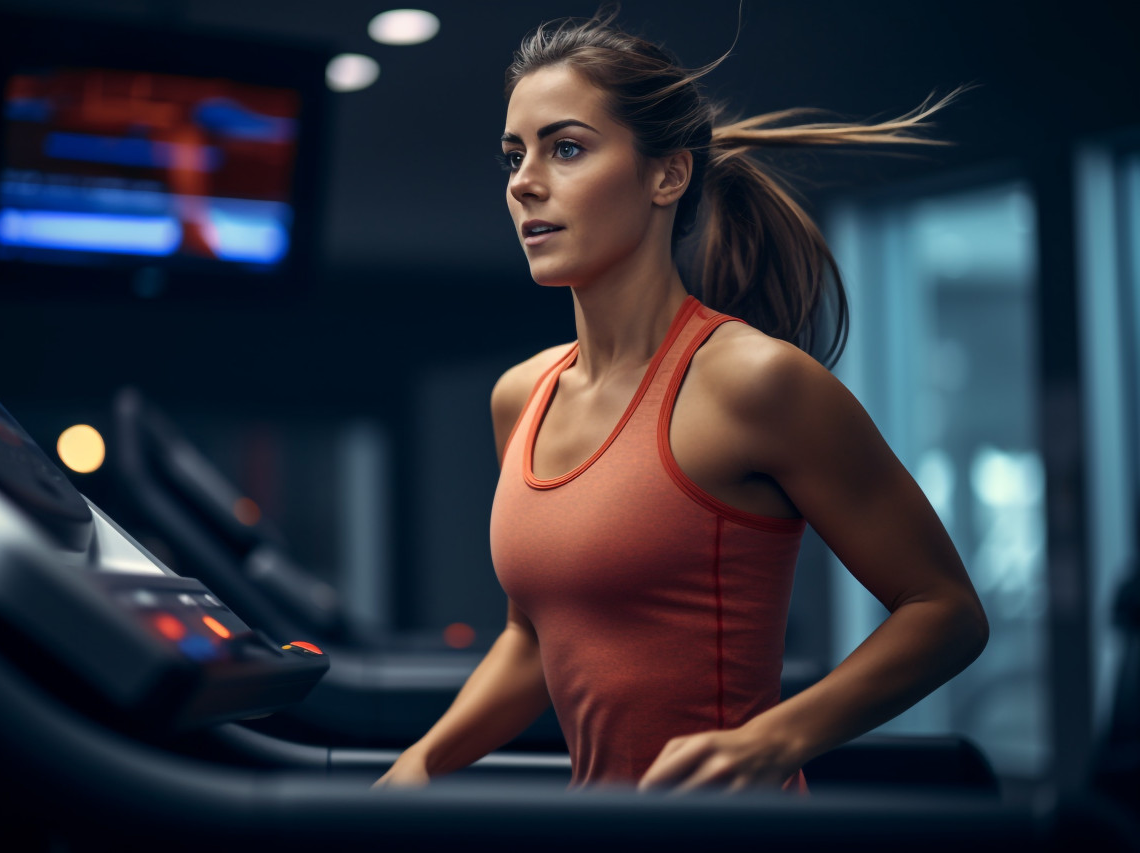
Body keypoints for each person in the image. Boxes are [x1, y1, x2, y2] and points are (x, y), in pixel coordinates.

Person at [375, 9, 988, 793]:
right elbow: (535, 636)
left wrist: (777, 738)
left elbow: (944, 609)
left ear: (668, 175)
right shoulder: (521, 396)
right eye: (512, 155)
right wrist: (425, 759)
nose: (525, 181)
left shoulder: (756, 383)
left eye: (566, 148)